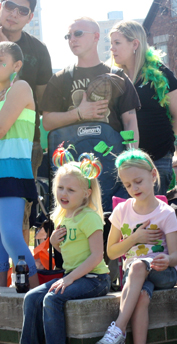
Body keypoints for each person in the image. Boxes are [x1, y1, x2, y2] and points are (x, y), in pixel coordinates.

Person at [6, 161, 111, 344]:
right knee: (31, 297)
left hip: (95, 279)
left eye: (71, 189)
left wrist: (70, 278)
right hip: (73, 275)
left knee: (52, 298)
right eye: (60, 188)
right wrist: (54, 243)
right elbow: (69, 253)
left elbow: (96, 256)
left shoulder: (89, 217)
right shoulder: (63, 216)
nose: (64, 193)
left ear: (86, 193)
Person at [94, 149, 177, 344]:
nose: (134, 188)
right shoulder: (122, 211)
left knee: (139, 266)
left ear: (153, 175)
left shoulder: (165, 213)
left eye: (138, 181)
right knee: (141, 295)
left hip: (163, 274)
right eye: (127, 184)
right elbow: (111, 252)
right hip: (136, 277)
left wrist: (166, 260)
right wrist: (134, 238)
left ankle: (118, 329)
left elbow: (175, 257)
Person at [109, 20, 177, 195]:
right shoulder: (114, 77)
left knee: (156, 217)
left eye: (117, 43)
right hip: (125, 160)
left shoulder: (160, 74)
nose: (112, 49)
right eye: (111, 43)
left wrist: (163, 142)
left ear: (135, 44)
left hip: (157, 158)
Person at [0, 0, 52, 248]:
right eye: (10, 5)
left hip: (23, 144)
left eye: (23, 10)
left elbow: (43, 100)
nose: (14, 13)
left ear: (31, 17)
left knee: (19, 213)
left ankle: (18, 275)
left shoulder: (37, 49)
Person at [41, 17, 140, 146]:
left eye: (78, 33)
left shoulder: (117, 76)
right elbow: (47, 122)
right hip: (72, 162)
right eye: (68, 36)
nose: (72, 39)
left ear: (96, 36)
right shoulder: (60, 78)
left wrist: (131, 158)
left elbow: (130, 121)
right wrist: (78, 113)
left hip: (111, 160)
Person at [0, 41, 38, 287]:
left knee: (12, 236)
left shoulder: (21, 87)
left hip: (12, 173)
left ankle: (39, 296)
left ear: (17, 65)